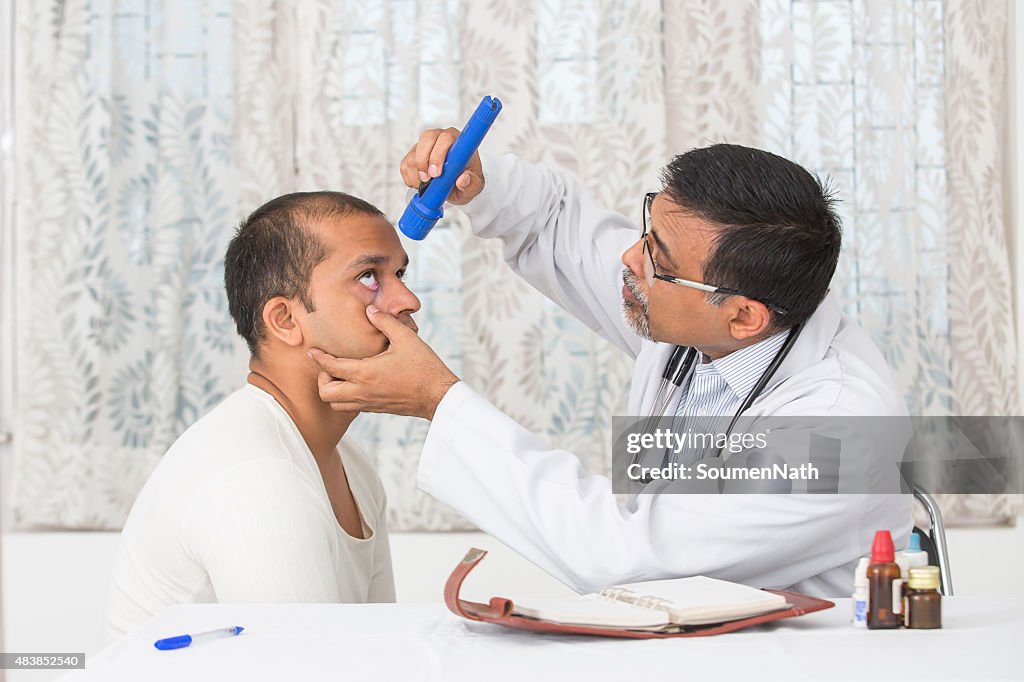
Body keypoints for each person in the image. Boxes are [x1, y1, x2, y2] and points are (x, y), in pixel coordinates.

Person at [309, 138, 913, 598]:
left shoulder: (841, 432)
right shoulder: (711, 301)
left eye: (657, 256)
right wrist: (479, 183)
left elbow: (623, 553)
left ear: (744, 318)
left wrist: (439, 400)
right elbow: (553, 225)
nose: (628, 256)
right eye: (647, 230)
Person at [105, 192, 419, 638]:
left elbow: (377, 648)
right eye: (369, 276)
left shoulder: (352, 464)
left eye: (400, 273)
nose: (408, 299)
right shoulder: (257, 475)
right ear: (285, 320)